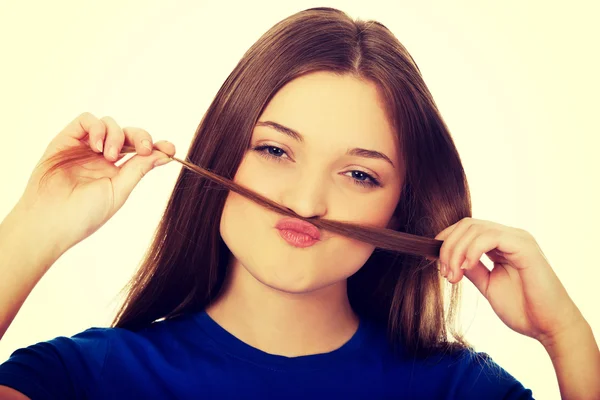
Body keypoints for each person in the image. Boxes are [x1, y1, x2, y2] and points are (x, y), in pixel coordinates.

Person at [0, 6, 598, 399]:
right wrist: (33, 229)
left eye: (360, 175)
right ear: (223, 150)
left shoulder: (457, 389)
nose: (306, 202)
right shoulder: (92, 378)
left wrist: (563, 333)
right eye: (276, 151)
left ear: (399, 207)